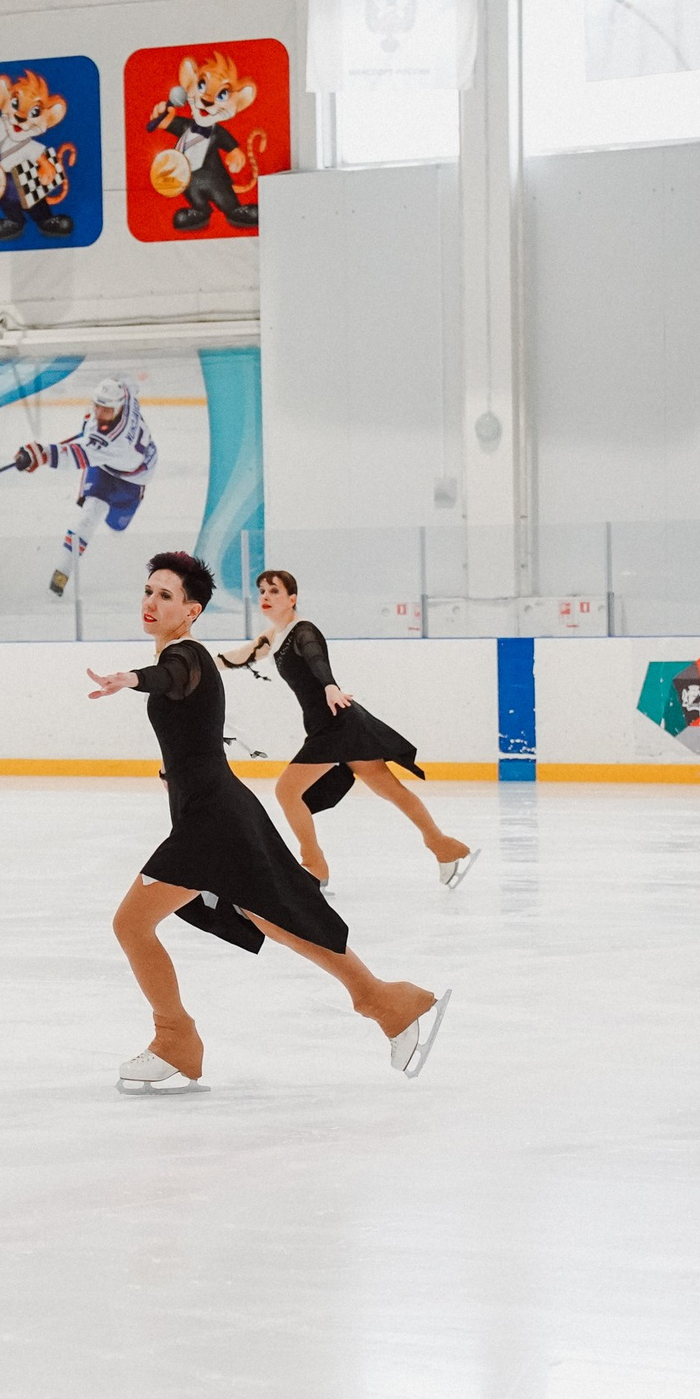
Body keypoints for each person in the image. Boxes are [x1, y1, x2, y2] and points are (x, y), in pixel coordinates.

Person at [85, 551, 450, 1094]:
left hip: (211, 818)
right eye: (148, 592)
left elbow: (168, 677)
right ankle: (386, 1003)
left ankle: (175, 1038)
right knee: (276, 914)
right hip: (212, 811)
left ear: (192, 611)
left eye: (166, 595)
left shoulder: (189, 657)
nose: (151, 602)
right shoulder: (184, 656)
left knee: (133, 924)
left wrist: (131, 679)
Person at [216, 568, 475, 889]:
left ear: (292, 599)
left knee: (287, 790)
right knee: (388, 788)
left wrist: (329, 685)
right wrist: (199, 663)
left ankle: (314, 864)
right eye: (262, 591)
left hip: (335, 723)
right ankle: (443, 846)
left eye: (274, 591)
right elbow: (242, 655)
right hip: (338, 725)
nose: (266, 597)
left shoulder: (303, 631)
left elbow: (315, 658)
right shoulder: (274, 636)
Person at [27, 375, 157, 599]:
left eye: (106, 411)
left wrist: (41, 454)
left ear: (118, 408)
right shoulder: (124, 393)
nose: (99, 414)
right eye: (97, 407)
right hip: (104, 468)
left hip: (133, 478)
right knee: (90, 514)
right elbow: (128, 383)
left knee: (117, 526)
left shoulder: (117, 441)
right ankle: (62, 572)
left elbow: (76, 456)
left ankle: (112, 523)